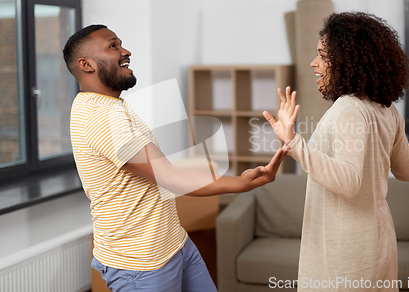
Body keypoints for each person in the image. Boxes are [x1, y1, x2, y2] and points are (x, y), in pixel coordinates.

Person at [63, 24, 287, 292]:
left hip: (174, 244)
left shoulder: (109, 107)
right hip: (142, 265)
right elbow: (169, 177)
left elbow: (161, 172)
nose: (126, 51)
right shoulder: (101, 117)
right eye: (113, 46)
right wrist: (240, 183)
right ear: (86, 64)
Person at [264, 12, 409, 292]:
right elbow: (408, 171)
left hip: (344, 257)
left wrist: (293, 141)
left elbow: (348, 182)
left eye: (323, 56)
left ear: (348, 61)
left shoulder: (348, 109)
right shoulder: (386, 109)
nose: (314, 63)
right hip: (378, 246)